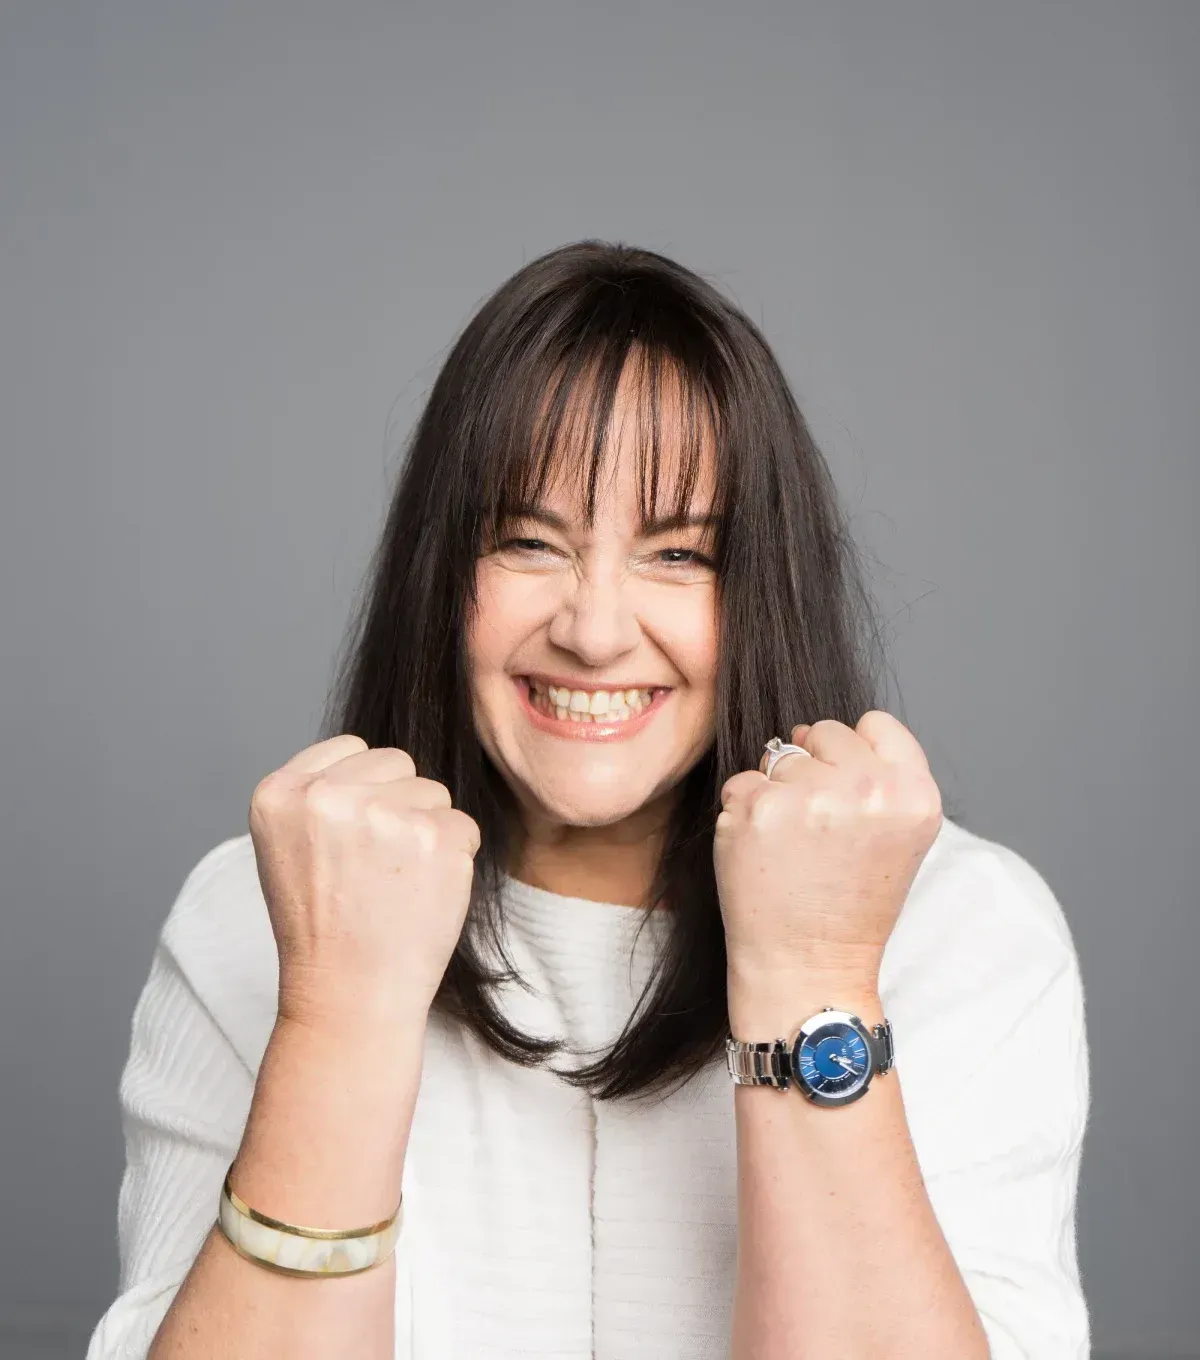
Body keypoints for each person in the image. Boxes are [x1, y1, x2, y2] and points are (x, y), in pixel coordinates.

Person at [86, 240, 1090, 1359]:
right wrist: (335, 1014)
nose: (596, 631)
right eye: (527, 541)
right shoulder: (260, 910)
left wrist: (815, 976)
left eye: (679, 554)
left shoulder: (964, 928)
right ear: (438, 569)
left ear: (764, 584)